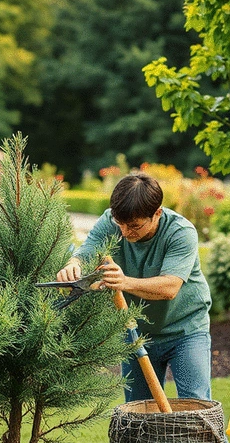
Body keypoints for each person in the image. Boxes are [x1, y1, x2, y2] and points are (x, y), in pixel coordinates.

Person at [57, 171, 213, 403]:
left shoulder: (181, 232)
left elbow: (170, 287)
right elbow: (84, 253)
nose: (124, 232)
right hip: (135, 332)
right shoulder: (111, 221)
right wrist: (72, 265)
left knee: (197, 408)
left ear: (157, 214)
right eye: (120, 224)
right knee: (139, 414)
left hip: (186, 330)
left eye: (134, 226)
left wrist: (124, 282)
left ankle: (213, 442)